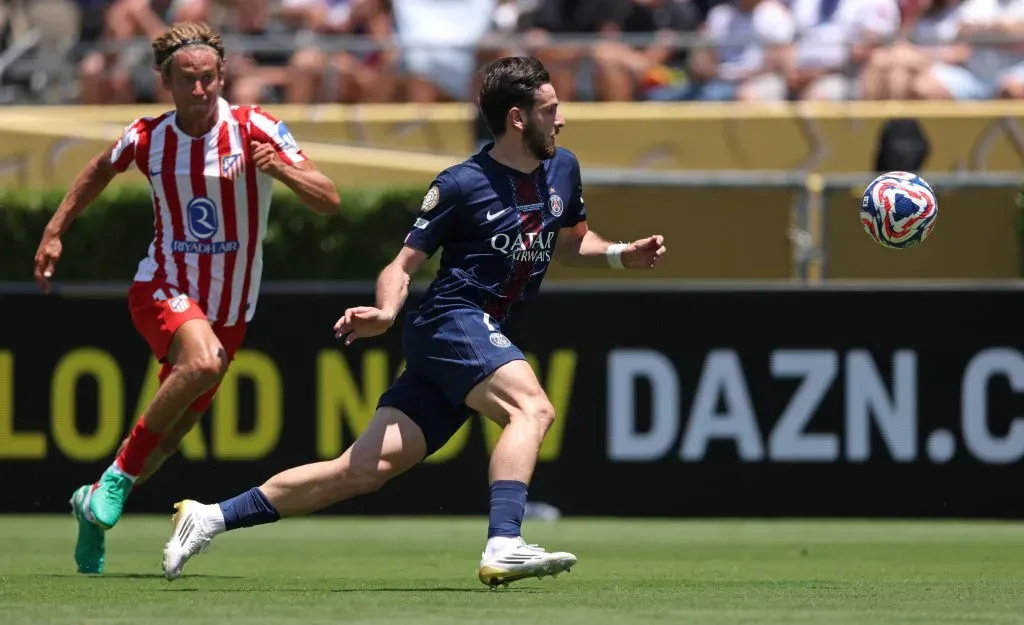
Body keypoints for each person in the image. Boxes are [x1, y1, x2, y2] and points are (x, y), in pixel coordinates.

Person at [160, 56, 667, 588]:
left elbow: (570, 241)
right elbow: (402, 265)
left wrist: (620, 254)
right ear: (518, 118)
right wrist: (385, 312)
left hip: (468, 338)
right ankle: (504, 542)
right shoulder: (460, 184)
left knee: (359, 470)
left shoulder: (562, 168)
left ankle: (209, 516)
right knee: (532, 408)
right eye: (550, 110)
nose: (560, 121)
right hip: (451, 321)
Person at [32, 21, 341, 576]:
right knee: (202, 361)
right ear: (166, 83)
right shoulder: (149, 138)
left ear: (222, 76)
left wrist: (285, 172)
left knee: (170, 440)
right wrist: (55, 229)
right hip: (164, 286)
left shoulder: (257, 127)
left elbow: (330, 198)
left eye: (208, 79)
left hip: (231, 310)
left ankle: (90, 503)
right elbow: (99, 168)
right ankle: (117, 479)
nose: (199, 91)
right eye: (187, 80)